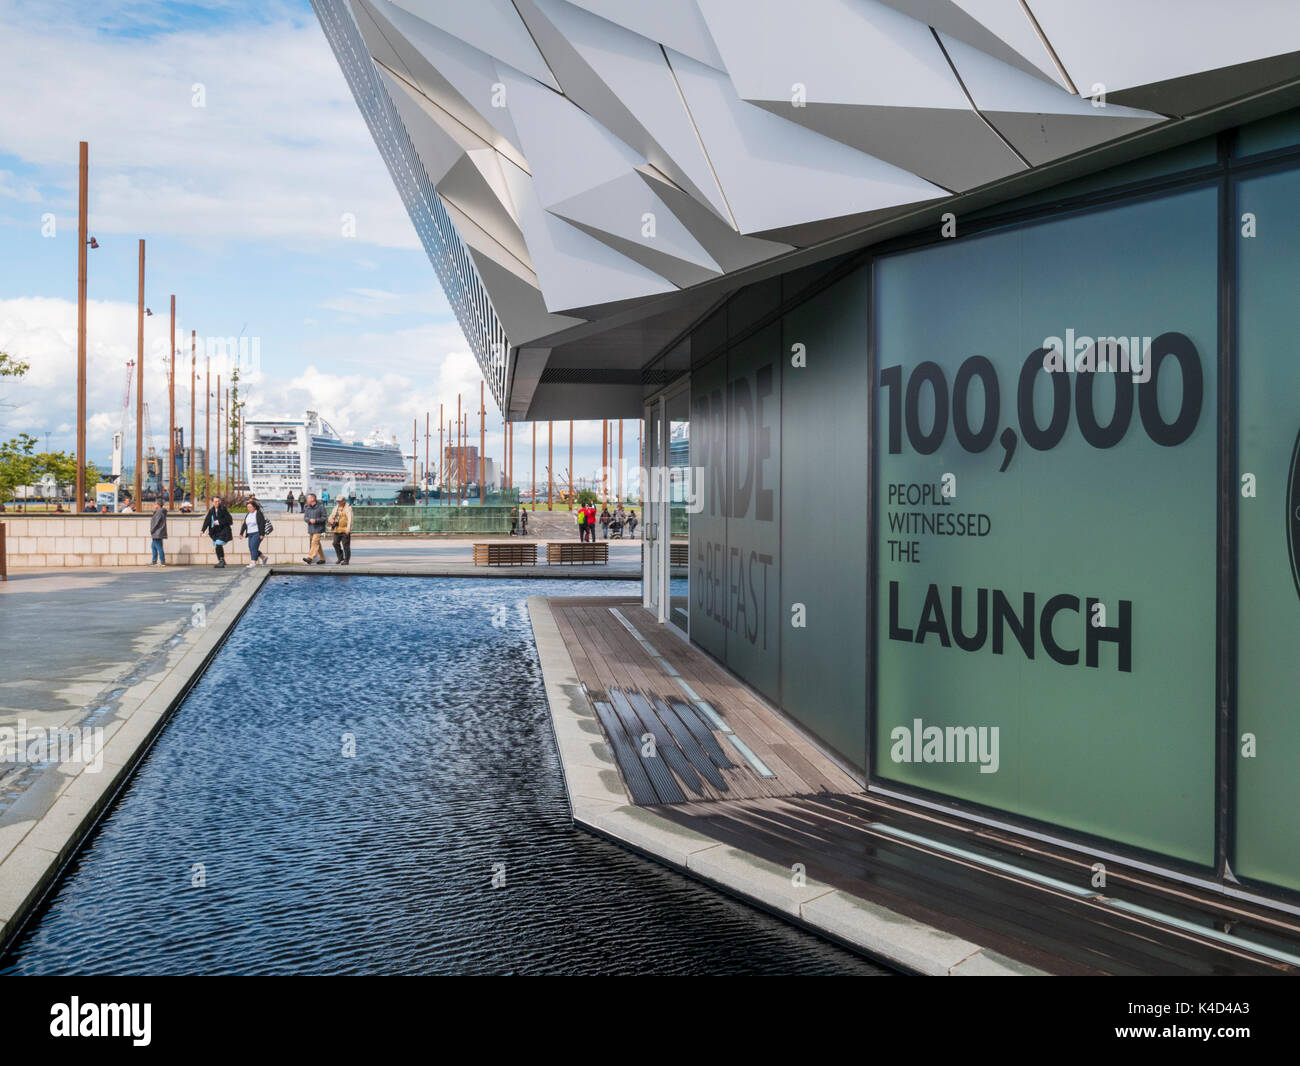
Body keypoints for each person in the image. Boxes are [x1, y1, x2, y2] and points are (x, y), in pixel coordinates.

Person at [199, 495, 234, 568]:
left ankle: (221, 561)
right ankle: (221, 560)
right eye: (215, 501)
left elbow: (230, 520)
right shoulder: (211, 510)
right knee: (217, 546)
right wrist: (202, 530)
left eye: (218, 501)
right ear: (212, 502)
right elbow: (207, 520)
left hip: (224, 531)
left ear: (220, 502)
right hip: (215, 532)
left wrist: (219, 522)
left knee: (218, 544)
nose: (217, 503)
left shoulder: (223, 509)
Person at [239, 494, 272, 567]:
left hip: (257, 533)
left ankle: (253, 562)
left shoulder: (258, 513)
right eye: (248, 507)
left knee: (253, 546)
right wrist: (241, 533)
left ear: (254, 507)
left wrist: (262, 534)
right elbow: (245, 524)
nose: (249, 508)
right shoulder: (248, 514)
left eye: (250, 507)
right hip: (250, 533)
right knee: (252, 547)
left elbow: (261, 524)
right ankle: (264, 558)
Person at [301, 492, 327, 564]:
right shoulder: (307, 507)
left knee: (314, 542)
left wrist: (316, 520)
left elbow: (324, 518)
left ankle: (310, 558)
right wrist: (309, 520)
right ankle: (322, 559)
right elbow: (305, 518)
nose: (307, 499)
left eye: (308, 498)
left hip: (319, 528)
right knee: (317, 544)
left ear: (313, 499)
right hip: (311, 529)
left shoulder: (321, 507)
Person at [328, 497, 353, 564]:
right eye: (337, 501)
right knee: (335, 543)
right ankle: (340, 557)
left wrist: (348, 529)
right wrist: (330, 519)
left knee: (346, 546)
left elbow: (350, 519)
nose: (338, 502)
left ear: (344, 501)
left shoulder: (348, 508)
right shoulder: (336, 507)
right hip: (337, 529)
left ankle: (346, 560)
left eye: (340, 501)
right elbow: (331, 516)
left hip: (345, 530)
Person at [149, 500, 167, 566]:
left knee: (159, 547)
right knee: (153, 547)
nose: (154, 505)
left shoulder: (159, 512)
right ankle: (154, 562)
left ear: (158, 505)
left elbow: (156, 523)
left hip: (157, 532)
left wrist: (152, 530)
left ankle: (162, 562)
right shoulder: (159, 512)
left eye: (155, 504)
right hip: (157, 532)